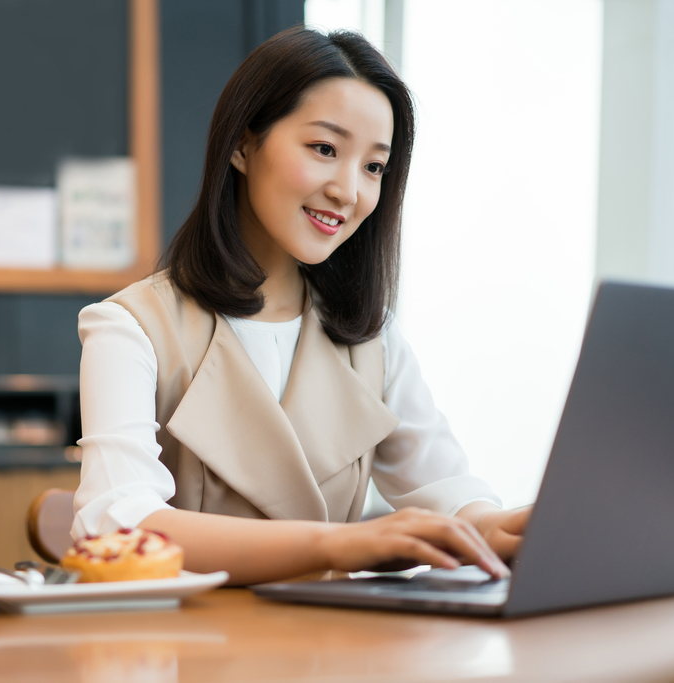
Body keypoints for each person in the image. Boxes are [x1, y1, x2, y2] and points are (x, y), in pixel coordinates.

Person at [73, 27, 530, 586]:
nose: (348, 190)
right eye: (324, 149)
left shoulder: (370, 340)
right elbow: (120, 524)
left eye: (373, 167)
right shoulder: (131, 328)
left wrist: (502, 527)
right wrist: (343, 543)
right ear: (243, 145)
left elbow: (447, 492)